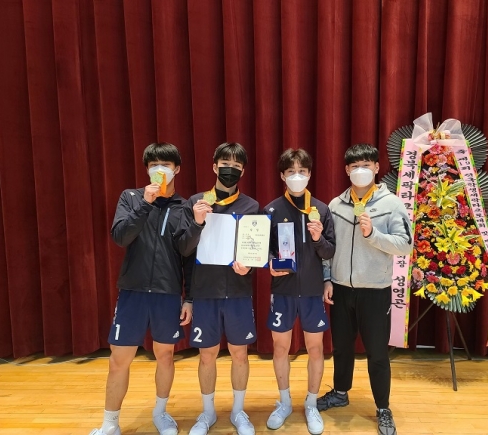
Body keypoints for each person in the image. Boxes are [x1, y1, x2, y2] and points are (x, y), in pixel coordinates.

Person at [90, 142, 193, 435]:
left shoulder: (184, 207)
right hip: (132, 292)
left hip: (167, 293)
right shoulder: (131, 197)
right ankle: (110, 423)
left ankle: (160, 413)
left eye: (166, 165)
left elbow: (189, 256)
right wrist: (145, 204)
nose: (160, 170)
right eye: (153, 165)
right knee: (118, 359)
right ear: (147, 169)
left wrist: (190, 298)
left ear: (176, 169)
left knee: (166, 355)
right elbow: (120, 237)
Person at [317, 143, 413, 435]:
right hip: (341, 288)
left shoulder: (391, 204)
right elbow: (329, 247)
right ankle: (340, 392)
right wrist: (327, 279)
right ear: (347, 170)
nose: (361, 170)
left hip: (375, 290)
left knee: (377, 352)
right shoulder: (336, 205)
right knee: (341, 347)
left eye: (366, 165)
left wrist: (373, 234)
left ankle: (383, 407)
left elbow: (405, 245)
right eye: (355, 166)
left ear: (376, 168)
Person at [175, 142, 259, 435]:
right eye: (225, 164)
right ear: (214, 166)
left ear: (243, 171)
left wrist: (250, 266)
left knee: (240, 353)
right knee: (207, 355)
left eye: (236, 166)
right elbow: (184, 249)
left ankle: (238, 412)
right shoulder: (196, 202)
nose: (230, 170)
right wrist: (198, 222)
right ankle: (207, 413)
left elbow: (256, 250)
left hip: (238, 292)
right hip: (205, 293)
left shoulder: (251, 206)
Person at [263, 148, 336, 435]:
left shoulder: (322, 209)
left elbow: (329, 251)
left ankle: (311, 403)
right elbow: (263, 250)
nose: (297, 176)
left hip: (312, 293)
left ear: (309, 174)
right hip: (282, 291)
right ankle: (284, 402)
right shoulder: (271, 210)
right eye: (291, 171)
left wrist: (317, 238)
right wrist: (270, 263)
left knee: (316, 349)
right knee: (280, 348)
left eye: (302, 171)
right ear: (282, 175)